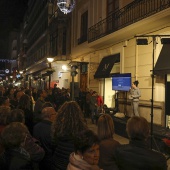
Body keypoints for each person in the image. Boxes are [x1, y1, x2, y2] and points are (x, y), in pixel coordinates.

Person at [51, 101, 88, 170]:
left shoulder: (58, 129)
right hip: (74, 165)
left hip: (58, 163)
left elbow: (53, 145)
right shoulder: (82, 130)